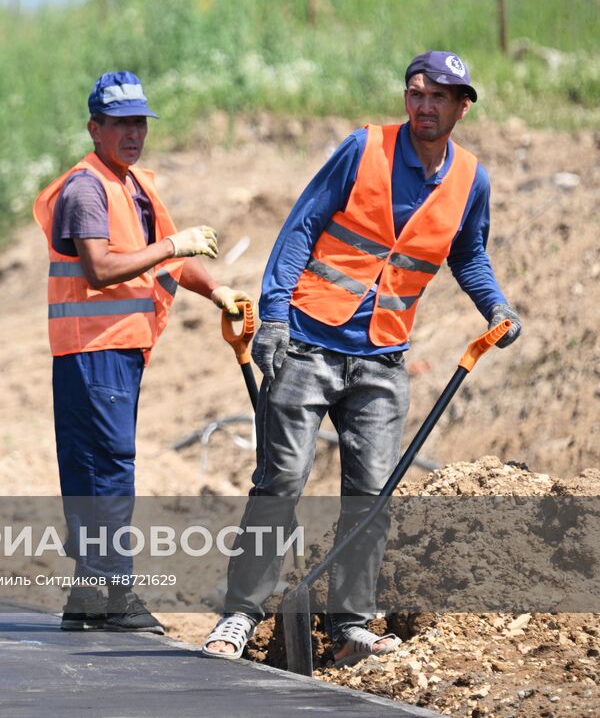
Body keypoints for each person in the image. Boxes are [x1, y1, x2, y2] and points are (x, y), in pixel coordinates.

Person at [200, 51, 522, 667]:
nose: (425, 106)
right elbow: (300, 228)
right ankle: (240, 615)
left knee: (371, 494)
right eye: (416, 93)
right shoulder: (363, 148)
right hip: (308, 343)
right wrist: (273, 316)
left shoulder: (470, 180)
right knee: (281, 483)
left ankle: (351, 623)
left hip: (382, 360)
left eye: (440, 97)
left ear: (463, 106)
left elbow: (469, 256)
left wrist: (496, 307)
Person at [32, 71, 252, 633]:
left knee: (93, 470)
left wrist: (217, 290)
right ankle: (115, 594)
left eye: (140, 122)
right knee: (107, 471)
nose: (134, 133)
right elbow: (101, 269)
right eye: (122, 123)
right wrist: (171, 245)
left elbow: (170, 259)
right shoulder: (88, 188)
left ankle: (89, 597)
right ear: (95, 127)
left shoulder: (130, 185)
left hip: (114, 351)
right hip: (94, 350)